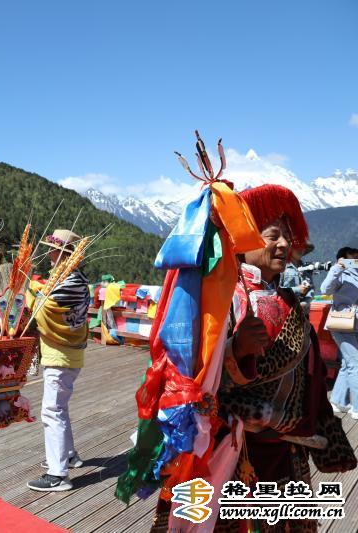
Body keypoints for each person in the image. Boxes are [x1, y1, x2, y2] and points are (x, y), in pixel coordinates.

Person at [147, 184, 356, 531]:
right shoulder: (223, 298)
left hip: (288, 448)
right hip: (236, 448)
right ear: (243, 241)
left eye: (287, 236)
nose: (284, 244)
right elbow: (196, 378)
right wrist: (237, 350)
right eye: (272, 236)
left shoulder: (288, 299)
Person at [25, 229, 91, 492]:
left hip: (62, 354)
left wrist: (28, 292)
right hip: (65, 353)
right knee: (59, 408)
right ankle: (69, 456)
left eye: (53, 249)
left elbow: (44, 309)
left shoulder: (71, 281)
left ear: (63, 253)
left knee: (52, 410)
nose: (49, 253)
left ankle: (58, 474)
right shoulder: (71, 278)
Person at [322, 246, 358, 417]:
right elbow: (325, 290)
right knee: (355, 364)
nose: (355, 260)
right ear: (342, 259)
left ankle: (337, 401)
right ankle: (356, 407)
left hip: (355, 324)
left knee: (347, 363)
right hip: (341, 323)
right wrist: (338, 267)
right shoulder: (340, 273)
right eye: (352, 257)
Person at [280, 243, 314, 313]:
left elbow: (311, 289)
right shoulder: (281, 266)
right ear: (289, 248)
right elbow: (277, 290)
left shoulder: (307, 268)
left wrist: (305, 302)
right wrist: (298, 289)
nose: (301, 249)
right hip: (286, 313)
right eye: (297, 247)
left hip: (303, 314)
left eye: (303, 247)